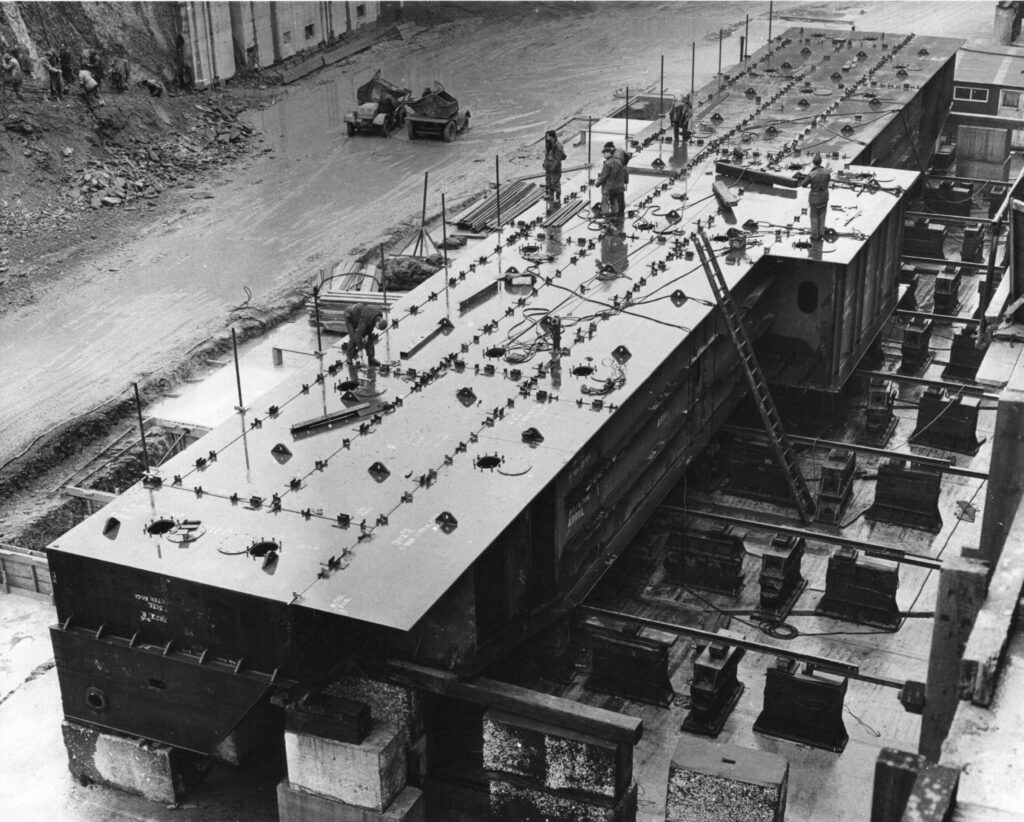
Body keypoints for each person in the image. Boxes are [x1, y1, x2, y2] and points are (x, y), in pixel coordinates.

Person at [799, 154, 832, 241]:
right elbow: (828, 180)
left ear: (813, 163)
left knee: (814, 216)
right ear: (820, 162)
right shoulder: (827, 172)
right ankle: (821, 233)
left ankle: (814, 235)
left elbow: (803, 185)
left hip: (814, 199)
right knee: (822, 215)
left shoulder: (811, 174)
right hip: (824, 197)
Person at [595, 142, 627, 223]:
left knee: (605, 200)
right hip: (618, 186)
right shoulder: (619, 161)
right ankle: (615, 215)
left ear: (609, 153)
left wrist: (598, 183)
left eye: (604, 153)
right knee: (614, 200)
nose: (603, 155)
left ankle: (605, 216)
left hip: (609, 186)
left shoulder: (607, 163)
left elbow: (603, 176)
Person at [542, 129, 567, 204]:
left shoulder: (558, 146)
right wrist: (544, 163)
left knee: (555, 181)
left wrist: (554, 167)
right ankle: (551, 194)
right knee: (548, 180)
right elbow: (547, 155)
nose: (547, 138)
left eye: (548, 136)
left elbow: (558, 159)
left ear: (551, 137)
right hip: (548, 165)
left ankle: (558, 197)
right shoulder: (549, 144)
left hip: (555, 166)